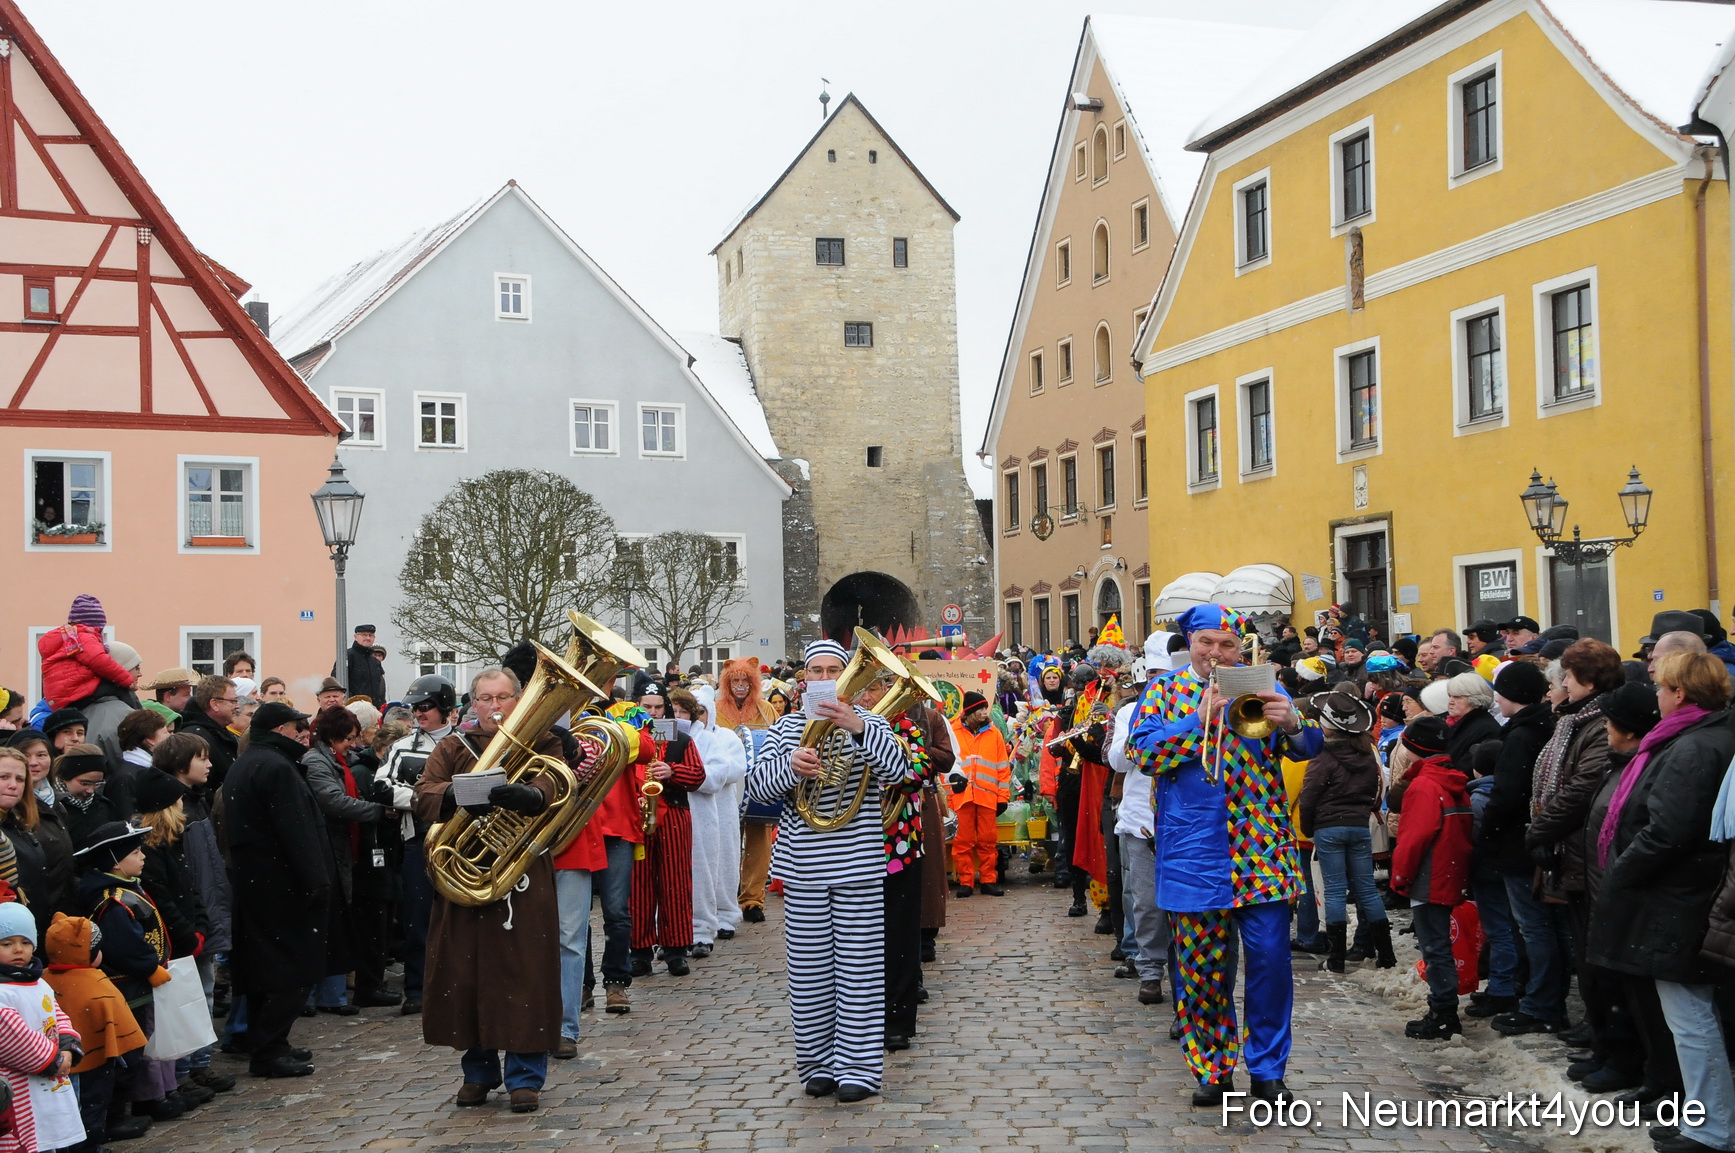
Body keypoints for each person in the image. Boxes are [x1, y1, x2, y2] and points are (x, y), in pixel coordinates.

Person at [1126, 604, 1321, 1107]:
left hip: (1260, 848)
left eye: (1226, 645)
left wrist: (1293, 721)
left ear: (1240, 649)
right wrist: (1197, 720)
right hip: (1195, 850)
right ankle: (1212, 1068)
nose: (1216, 653)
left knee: (1272, 965)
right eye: (1206, 642)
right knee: (1200, 969)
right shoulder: (1164, 692)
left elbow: (1307, 748)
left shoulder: (1260, 685)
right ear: (1190, 643)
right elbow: (1143, 753)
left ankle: (1268, 1070)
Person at [744, 639, 912, 1103]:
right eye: (814, 671)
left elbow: (900, 772)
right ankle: (817, 1066)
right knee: (810, 975)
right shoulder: (786, 728)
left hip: (857, 865)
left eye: (832, 670)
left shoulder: (871, 722)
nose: (822, 678)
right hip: (802, 870)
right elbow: (757, 787)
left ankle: (858, 1068)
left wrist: (857, 726)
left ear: (848, 680)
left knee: (859, 973)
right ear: (804, 680)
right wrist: (790, 767)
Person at [1591, 652, 1735, 1152]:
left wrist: (1619, 873)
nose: (1656, 695)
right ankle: (1702, 1115)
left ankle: (1712, 1128)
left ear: (1681, 694)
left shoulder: (1695, 746)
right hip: (1683, 893)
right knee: (1693, 1016)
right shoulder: (1699, 737)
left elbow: (1670, 830)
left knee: (1691, 1018)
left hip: (1680, 897)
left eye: (1662, 687)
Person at [414, 667, 564, 1114]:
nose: (494, 707)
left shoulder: (543, 741)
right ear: (473, 703)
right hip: (467, 875)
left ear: (519, 700)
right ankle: (477, 1072)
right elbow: (424, 792)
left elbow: (555, 782)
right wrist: (462, 794)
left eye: (502, 697)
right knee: (466, 975)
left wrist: (532, 796)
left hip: (521, 875)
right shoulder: (453, 745)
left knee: (526, 973)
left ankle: (525, 1077)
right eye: (485, 698)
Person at [221, 702, 330, 1079]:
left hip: (257, 883)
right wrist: (317, 880)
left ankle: (271, 1043)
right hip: (281, 885)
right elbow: (296, 830)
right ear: (281, 729)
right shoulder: (275, 766)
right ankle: (269, 1048)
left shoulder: (250, 762)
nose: (303, 732)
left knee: (264, 971)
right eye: (297, 726)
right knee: (291, 970)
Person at [1478, 660, 1572, 1036]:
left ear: (1513, 697)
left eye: (1500, 694)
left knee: (1535, 927)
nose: (1497, 701)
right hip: (1532, 840)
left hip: (1519, 843)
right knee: (1548, 927)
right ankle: (1544, 998)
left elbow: (1507, 795)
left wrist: (1489, 832)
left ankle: (1541, 1002)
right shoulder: (1540, 727)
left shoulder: (1521, 735)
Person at [74, 821, 180, 1121]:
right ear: (116, 863)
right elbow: (124, 945)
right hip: (126, 986)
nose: (143, 857)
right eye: (135, 852)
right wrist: (149, 966)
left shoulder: (125, 889)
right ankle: (115, 1115)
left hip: (138, 985)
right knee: (126, 1050)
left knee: (137, 1046)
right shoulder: (112, 900)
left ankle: (128, 1107)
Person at [301, 706, 391, 1016]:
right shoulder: (317, 762)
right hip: (330, 846)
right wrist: (376, 811)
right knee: (329, 921)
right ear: (333, 736)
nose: (352, 744)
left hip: (343, 847)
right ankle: (320, 995)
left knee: (339, 921)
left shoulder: (341, 760)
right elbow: (334, 801)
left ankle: (332, 993)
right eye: (348, 738)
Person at [1295, 691, 1393, 972]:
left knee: (1335, 891)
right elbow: (1376, 790)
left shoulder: (1323, 757)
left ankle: (1336, 958)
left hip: (1328, 828)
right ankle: (1385, 954)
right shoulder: (1366, 756)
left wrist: (1307, 828)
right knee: (1367, 890)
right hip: (1359, 826)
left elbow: (1309, 796)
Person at [1390, 717, 1474, 1040]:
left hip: (1429, 872)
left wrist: (1400, 874)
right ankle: (1443, 1009)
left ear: (1414, 749)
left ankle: (1442, 1012)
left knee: (1434, 946)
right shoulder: (1450, 779)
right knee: (1438, 943)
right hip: (1447, 867)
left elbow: (1414, 837)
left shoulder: (1425, 785)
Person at [379, 674, 455, 1017]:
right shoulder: (402, 746)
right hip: (418, 839)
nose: (419, 713)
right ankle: (417, 988)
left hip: (461, 841)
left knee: (458, 917)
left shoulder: (465, 744)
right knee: (417, 918)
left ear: (444, 708)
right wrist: (428, 799)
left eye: (426, 707)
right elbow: (382, 788)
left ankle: (457, 984)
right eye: (415, 707)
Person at [44, 911, 149, 1151]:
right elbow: (129, 1036)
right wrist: (127, 1062)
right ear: (88, 952)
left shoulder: (43, 980)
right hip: (95, 1061)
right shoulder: (98, 983)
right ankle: (90, 1147)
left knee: (62, 1109)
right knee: (92, 1108)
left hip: (53, 1062)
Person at [1109, 633, 1172, 1007]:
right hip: (1141, 818)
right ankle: (1150, 970)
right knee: (1146, 903)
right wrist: (1144, 737)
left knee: (1184, 906)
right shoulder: (1128, 712)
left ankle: (1186, 981)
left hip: (1183, 821)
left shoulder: (1194, 705)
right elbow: (1117, 760)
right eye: (1157, 675)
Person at [628, 684, 705, 977]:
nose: (653, 713)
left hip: (673, 814)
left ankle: (675, 950)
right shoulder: (631, 738)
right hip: (638, 817)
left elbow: (698, 776)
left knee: (676, 883)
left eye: (658, 707)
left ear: (667, 709)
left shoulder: (680, 739)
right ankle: (639, 952)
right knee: (638, 887)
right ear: (637, 706)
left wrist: (673, 771)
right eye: (647, 707)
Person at [0, 901, 85, 1151]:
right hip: (18, 1082)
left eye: (25, 943)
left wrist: (69, 1046)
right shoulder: (3, 991)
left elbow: (57, 1016)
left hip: (49, 1076)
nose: (18, 950)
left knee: (48, 1138)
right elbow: (12, 1035)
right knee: (28, 1139)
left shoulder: (38, 982)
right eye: (6, 944)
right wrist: (54, 1060)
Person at [717, 659, 779, 925]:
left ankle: (753, 899)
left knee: (759, 843)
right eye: (735, 681)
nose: (740, 686)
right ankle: (725, 899)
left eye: (745, 682)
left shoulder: (766, 710)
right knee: (727, 845)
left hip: (758, 788)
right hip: (727, 786)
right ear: (727, 684)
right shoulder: (716, 709)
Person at [947, 692, 1011, 898]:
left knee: (988, 841)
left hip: (987, 796)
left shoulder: (995, 734)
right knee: (962, 841)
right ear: (969, 712)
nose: (985, 712)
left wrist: (1003, 797)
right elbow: (945, 765)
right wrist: (949, 796)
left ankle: (988, 880)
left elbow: (1003, 768)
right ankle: (966, 881)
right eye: (980, 709)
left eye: (986, 708)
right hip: (961, 796)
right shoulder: (953, 731)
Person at [37, 595, 134, 712]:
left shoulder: (68, 637)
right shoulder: (84, 637)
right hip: (75, 693)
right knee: (118, 688)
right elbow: (99, 661)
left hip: (60, 697)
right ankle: (139, 718)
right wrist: (127, 680)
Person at [52, 744, 123, 854]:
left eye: (97, 784)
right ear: (66, 777)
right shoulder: (52, 808)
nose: (90, 790)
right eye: (85, 783)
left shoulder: (104, 806)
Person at [177, 677, 239, 788]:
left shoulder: (220, 733)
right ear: (214, 704)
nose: (237, 706)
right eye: (233, 701)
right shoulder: (196, 738)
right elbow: (199, 786)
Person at [337, 626, 387, 706]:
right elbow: (338, 683)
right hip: (353, 709)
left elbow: (380, 688)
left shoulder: (374, 662)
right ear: (355, 637)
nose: (368, 638)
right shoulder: (347, 656)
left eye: (370, 635)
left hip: (373, 710)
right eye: (364, 635)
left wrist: (381, 706)